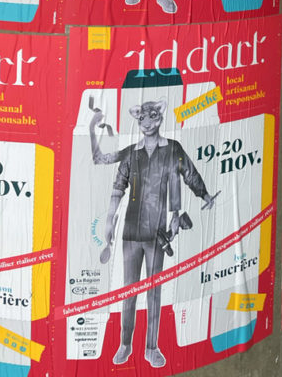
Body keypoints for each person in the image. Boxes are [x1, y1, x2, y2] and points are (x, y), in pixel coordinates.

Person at [89, 99, 218, 368]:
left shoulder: (173, 149)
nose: (147, 123)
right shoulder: (131, 153)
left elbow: (190, 173)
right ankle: (125, 344)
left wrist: (205, 194)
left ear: (160, 118)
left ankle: (151, 347)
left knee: (154, 291)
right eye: (142, 119)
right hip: (131, 232)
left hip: (158, 232)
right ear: (138, 121)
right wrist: (109, 222)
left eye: (152, 117)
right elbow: (116, 186)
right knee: (129, 290)